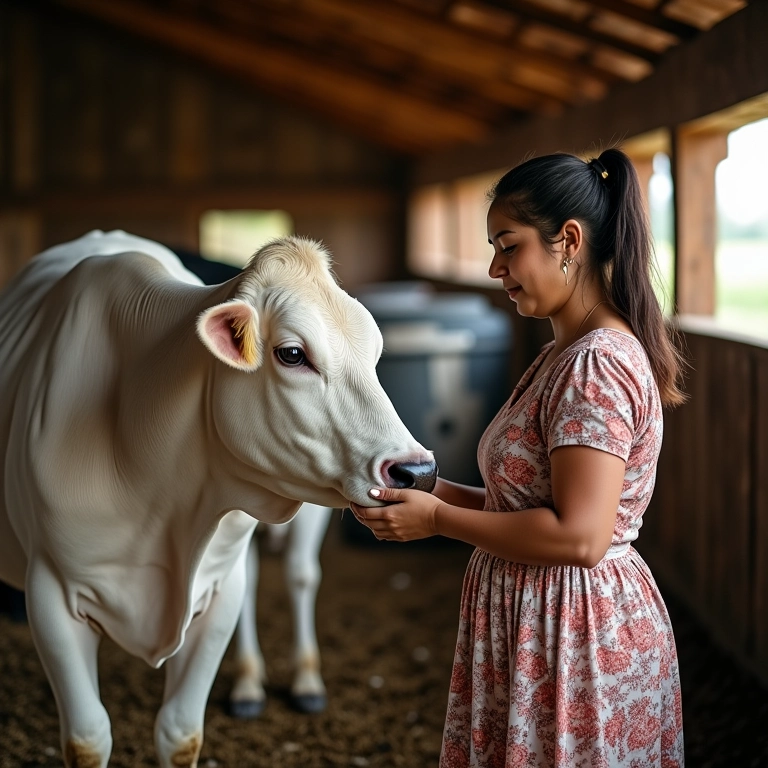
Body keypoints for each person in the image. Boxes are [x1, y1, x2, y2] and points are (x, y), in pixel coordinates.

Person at [350, 148, 686, 767]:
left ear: (569, 241)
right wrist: (433, 491)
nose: (494, 268)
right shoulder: (562, 354)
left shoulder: (595, 365)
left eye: (509, 246)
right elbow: (525, 503)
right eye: (493, 248)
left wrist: (437, 520)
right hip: (545, 621)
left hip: (576, 633)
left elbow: (580, 537)